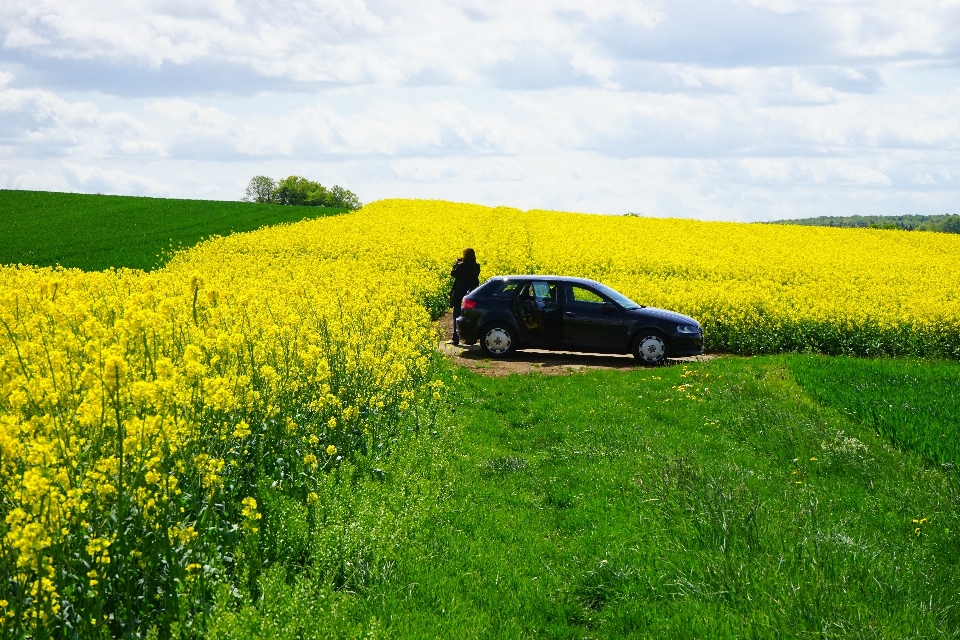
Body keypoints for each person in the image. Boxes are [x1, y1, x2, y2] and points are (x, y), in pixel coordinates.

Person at [449, 247, 481, 345]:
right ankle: (470, 339)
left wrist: (456, 264)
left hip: (460, 294)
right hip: (472, 294)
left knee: (457, 315)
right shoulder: (477, 266)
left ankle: (455, 338)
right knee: (470, 316)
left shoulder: (461, 266)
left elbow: (453, 273)